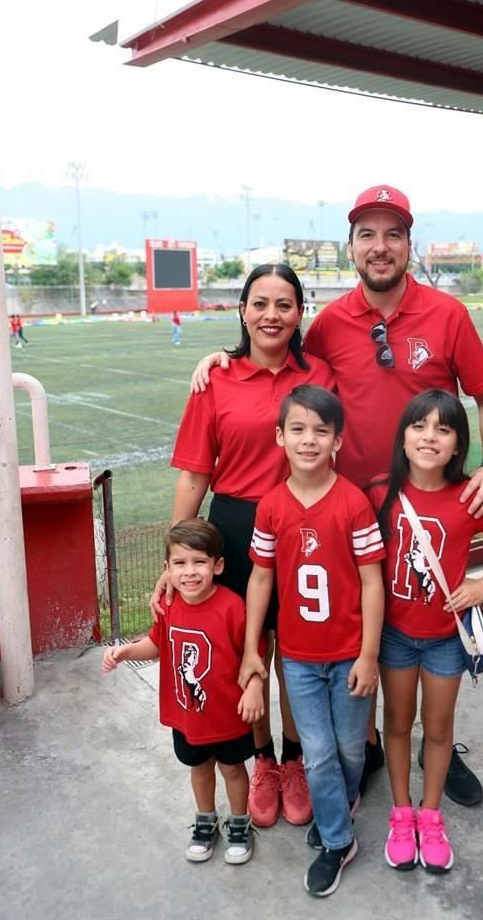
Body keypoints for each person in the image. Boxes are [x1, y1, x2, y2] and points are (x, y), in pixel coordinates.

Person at [190, 184, 483, 805]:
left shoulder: (448, 314)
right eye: (368, 234)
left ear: (409, 245)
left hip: (429, 509)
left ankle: (435, 740)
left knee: (434, 627)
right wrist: (221, 357)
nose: (380, 246)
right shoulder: (333, 323)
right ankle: (362, 748)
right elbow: (275, 353)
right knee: (364, 631)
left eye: (393, 234)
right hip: (349, 514)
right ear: (352, 247)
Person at [153, 264, 334, 830]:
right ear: (242, 310)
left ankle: (296, 759)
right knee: (245, 651)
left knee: (298, 655)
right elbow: (193, 475)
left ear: (301, 313)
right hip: (235, 523)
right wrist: (173, 556)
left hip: (304, 523)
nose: (271, 315)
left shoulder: (322, 376)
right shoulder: (217, 379)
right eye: (260, 303)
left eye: (284, 304)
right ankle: (260, 761)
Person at [367, 390, 483, 874]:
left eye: (443, 428)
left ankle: (431, 815)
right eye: (419, 426)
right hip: (394, 636)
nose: (430, 437)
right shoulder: (380, 491)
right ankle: (401, 813)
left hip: (444, 638)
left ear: (459, 445)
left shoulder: (470, 496)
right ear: (402, 437)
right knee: (396, 725)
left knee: (437, 730)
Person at [239, 385, 385, 897]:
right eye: (297, 429)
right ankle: (339, 841)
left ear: (338, 441)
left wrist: (369, 654)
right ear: (280, 437)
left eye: (320, 431)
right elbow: (260, 578)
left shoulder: (354, 503)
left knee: (349, 749)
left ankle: (335, 808)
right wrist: (252, 649)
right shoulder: (271, 506)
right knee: (319, 751)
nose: (308, 440)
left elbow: (372, 580)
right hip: (298, 658)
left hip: (347, 654)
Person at [102, 519, 265, 865]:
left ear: (217, 565)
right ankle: (205, 821)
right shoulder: (169, 607)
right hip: (188, 716)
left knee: (233, 769)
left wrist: (253, 688)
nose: (189, 572)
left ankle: (240, 823)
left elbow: (253, 655)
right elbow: (156, 644)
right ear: (167, 569)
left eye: (199, 562)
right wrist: (125, 652)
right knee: (200, 767)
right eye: (180, 563)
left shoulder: (234, 608)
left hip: (229, 715)